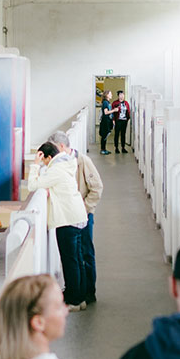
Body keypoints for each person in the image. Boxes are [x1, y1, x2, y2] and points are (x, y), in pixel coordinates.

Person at [27, 142, 89, 311]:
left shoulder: (56, 170)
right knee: (77, 259)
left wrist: (34, 165)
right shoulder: (66, 164)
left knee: (70, 261)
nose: (44, 164)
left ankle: (73, 301)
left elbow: (32, 185)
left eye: (44, 160)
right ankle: (80, 297)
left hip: (67, 218)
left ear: (48, 157)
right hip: (77, 215)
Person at [49, 130, 103, 305]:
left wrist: (84, 210)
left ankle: (89, 292)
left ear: (62, 146)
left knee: (85, 252)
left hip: (83, 216)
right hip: (68, 217)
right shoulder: (59, 164)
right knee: (74, 255)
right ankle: (77, 291)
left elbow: (97, 188)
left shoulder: (82, 162)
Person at [112, 90, 131, 154]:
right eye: (120, 95)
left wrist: (128, 118)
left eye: (123, 95)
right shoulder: (115, 103)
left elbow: (128, 111)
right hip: (118, 120)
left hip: (124, 120)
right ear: (118, 96)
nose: (122, 96)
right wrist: (113, 120)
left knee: (123, 134)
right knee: (117, 134)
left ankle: (123, 147)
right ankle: (116, 147)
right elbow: (112, 112)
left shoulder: (126, 103)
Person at [99, 90, 114, 155]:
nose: (111, 95)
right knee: (104, 136)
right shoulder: (105, 102)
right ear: (107, 95)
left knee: (105, 136)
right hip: (105, 122)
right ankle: (102, 149)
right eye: (110, 94)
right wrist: (114, 110)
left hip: (108, 121)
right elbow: (106, 112)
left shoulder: (107, 102)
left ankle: (104, 149)